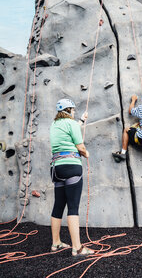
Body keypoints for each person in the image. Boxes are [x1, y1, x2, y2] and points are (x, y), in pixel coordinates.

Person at [50, 98, 94, 256]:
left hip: (56, 169)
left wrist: (81, 120)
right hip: (71, 167)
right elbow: (80, 146)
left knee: (58, 205)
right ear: (68, 110)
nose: (74, 112)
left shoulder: (54, 125)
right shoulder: (72, 124)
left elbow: (69, 131)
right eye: (73, 110)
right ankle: (77, 247)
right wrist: (86, 153)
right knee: (73, 207)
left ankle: (55, 243)